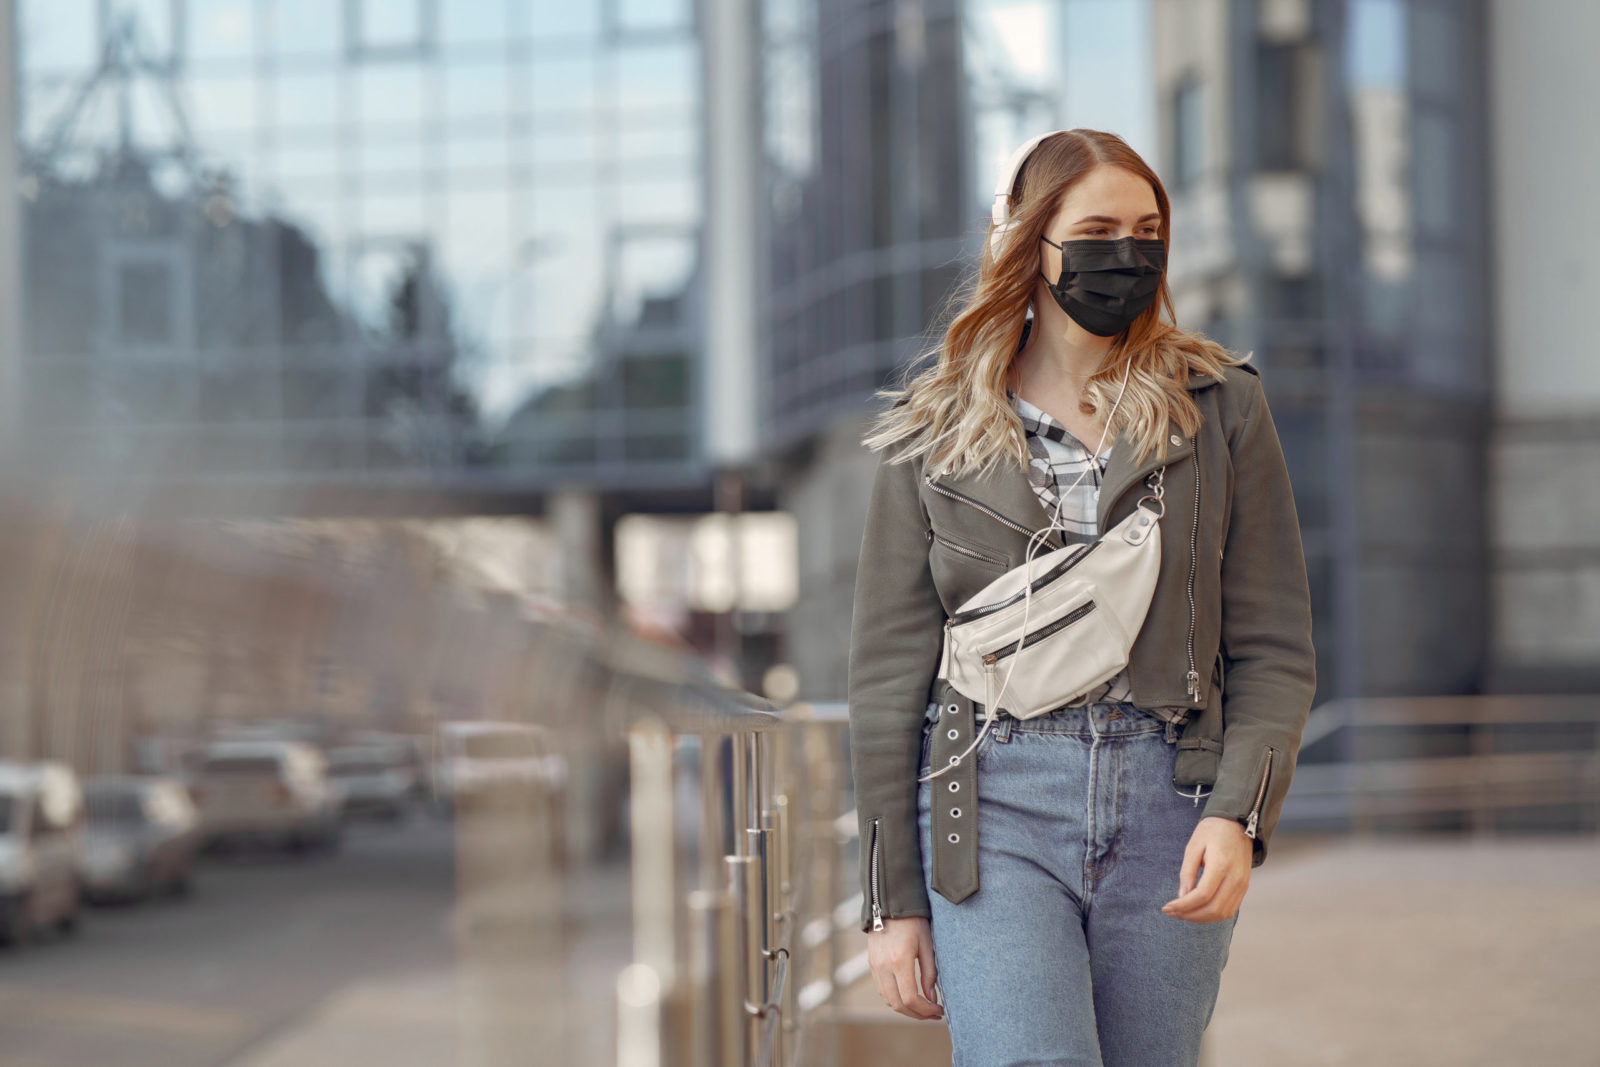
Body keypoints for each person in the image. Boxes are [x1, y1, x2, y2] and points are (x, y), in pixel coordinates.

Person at [845, 128, 1317, 1066]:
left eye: (1149, 231)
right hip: (989, 801)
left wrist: (1240, 813)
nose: (1129, 255)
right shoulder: (934, 430)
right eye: (1098, 229)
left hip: (1171, 794)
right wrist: (891, 901)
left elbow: (1273, 643)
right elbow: (889, 678)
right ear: (1028, 241)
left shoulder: (1220, 404)